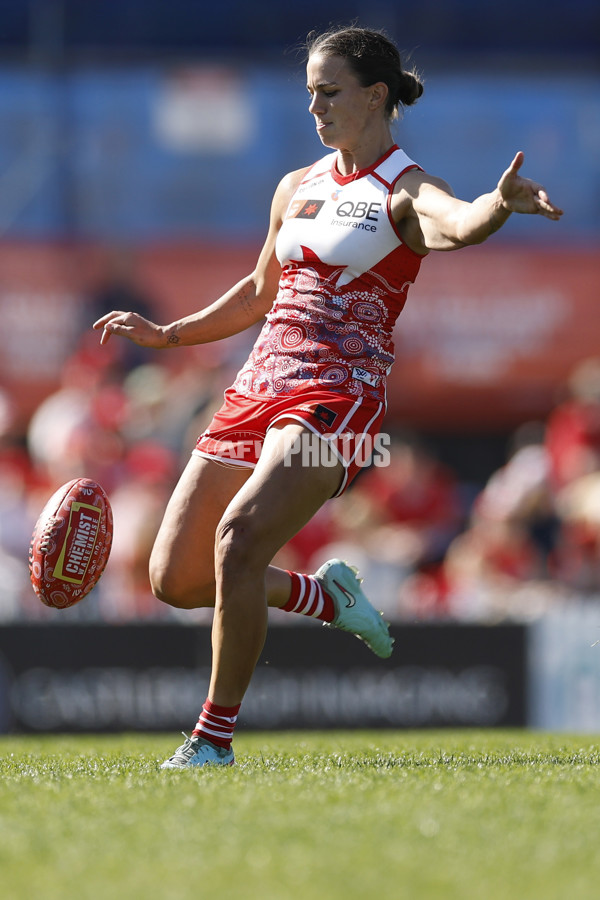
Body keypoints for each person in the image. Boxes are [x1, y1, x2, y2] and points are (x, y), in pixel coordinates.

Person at [94, 25, 563, 768]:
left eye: (329, 91)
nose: (314, 106)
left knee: (240, 539)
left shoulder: (405, 189)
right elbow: (257, 293)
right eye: (309, 91)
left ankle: (211, 743)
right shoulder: (298, 185)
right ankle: (326, 599)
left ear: (375, 95)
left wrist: (498, 205)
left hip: (337, 401)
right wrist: (168, 333)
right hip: (257, 386)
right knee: (174, 578)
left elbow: (459, 224)